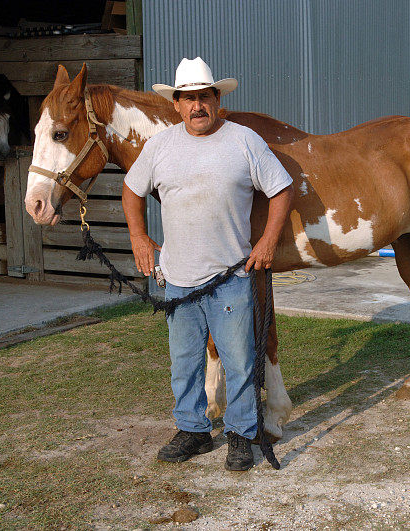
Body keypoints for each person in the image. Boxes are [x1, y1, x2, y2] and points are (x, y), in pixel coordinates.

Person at [122, 57, 294, 471]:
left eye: (204, 97)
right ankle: (193, 430)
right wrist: (138, 237)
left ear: (217, 99)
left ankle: (239, 433)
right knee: (184, 364)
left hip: (231, 277)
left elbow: (281, 189)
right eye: (188, 99)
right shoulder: (160, 146)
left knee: (239, 362)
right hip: (178, 281)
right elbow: (131, 191)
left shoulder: (244, 140)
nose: (197, 106)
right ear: (176, 104)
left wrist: (268, 240)